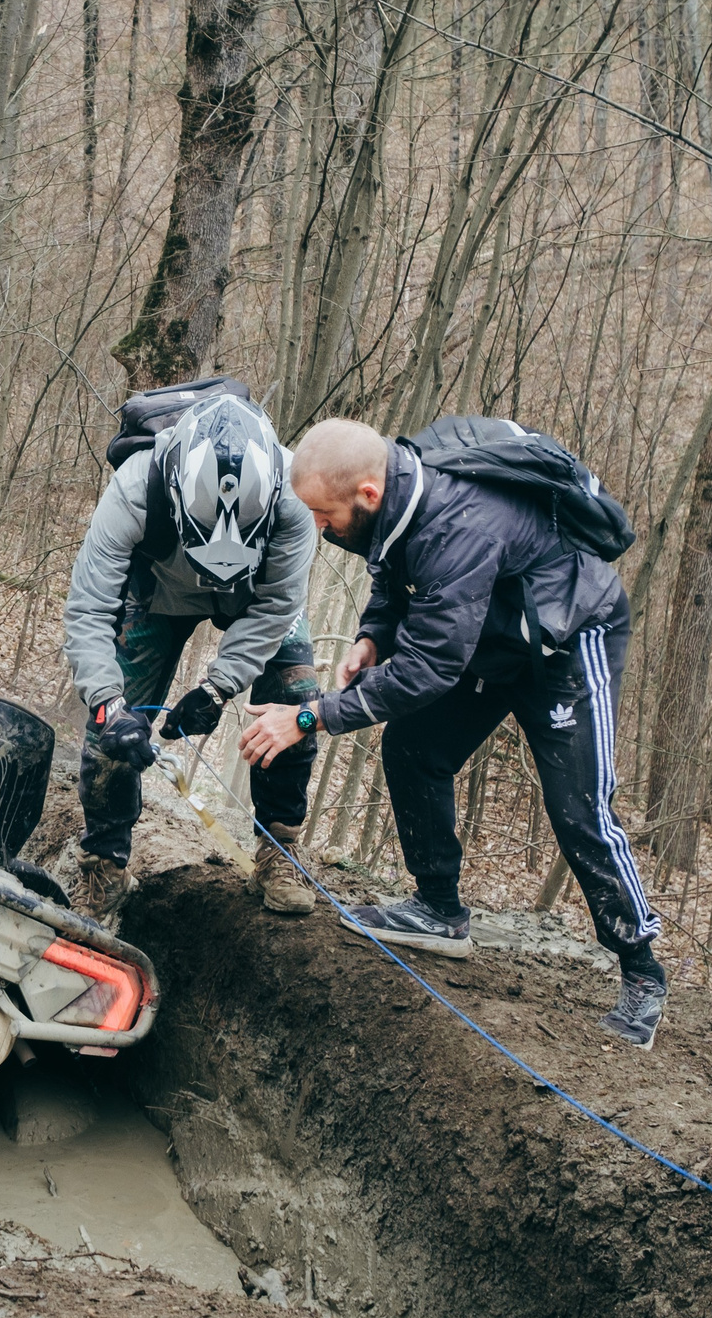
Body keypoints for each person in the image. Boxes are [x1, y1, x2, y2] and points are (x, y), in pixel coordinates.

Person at [235, 417, 668, 1050]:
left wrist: (309, 716)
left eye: (325, 516)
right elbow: (394, 571)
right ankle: (438, 909)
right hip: (488, 636)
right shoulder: (399, 491)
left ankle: (642, 970)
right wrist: (373, 634)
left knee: (579, 808)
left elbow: (428, 669)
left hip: (569, 640)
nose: (320, 530)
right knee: (414, 748)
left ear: (367, 493)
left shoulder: (459, 525)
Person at [62, 393, 321, 924]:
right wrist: (108, 703)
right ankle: (104, 864)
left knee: (297, 695)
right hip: (158, 592)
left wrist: (218, 687)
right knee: (111, 728)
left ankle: (280, 850)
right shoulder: (135, 489)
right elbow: (89, 609)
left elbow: (278, 606)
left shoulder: (296, 495)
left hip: (254, 598)